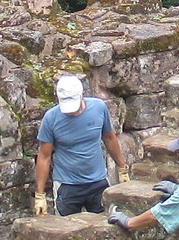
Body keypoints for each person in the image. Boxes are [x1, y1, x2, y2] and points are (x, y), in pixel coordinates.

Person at [34, 73, 127, 216]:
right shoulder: (51, 118)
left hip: (97, 182)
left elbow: (109, 138)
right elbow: (44, 156)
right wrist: (39, 195)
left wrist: (122, 168)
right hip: (67, 186)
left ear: (82, 95)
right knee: (66, 227)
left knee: (104, 223)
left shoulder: (98, 108)